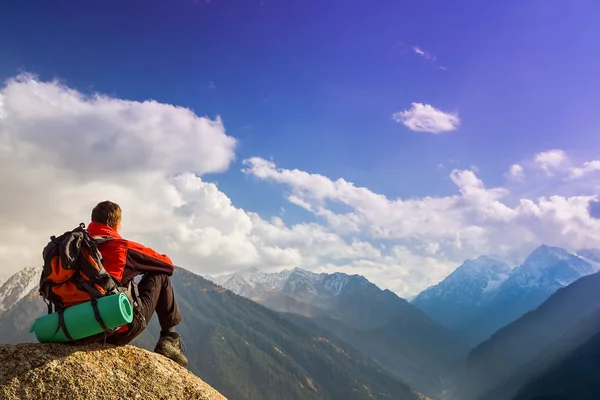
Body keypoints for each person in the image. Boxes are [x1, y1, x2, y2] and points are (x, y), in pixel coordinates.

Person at [86, 200, 188, 367]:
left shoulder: (74, 247)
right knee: (160, 275)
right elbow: (167, 265)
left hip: (76, 326)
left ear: (93, 220)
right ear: (117, 224)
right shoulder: (120, 248)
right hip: (115, 330)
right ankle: (169, 340)